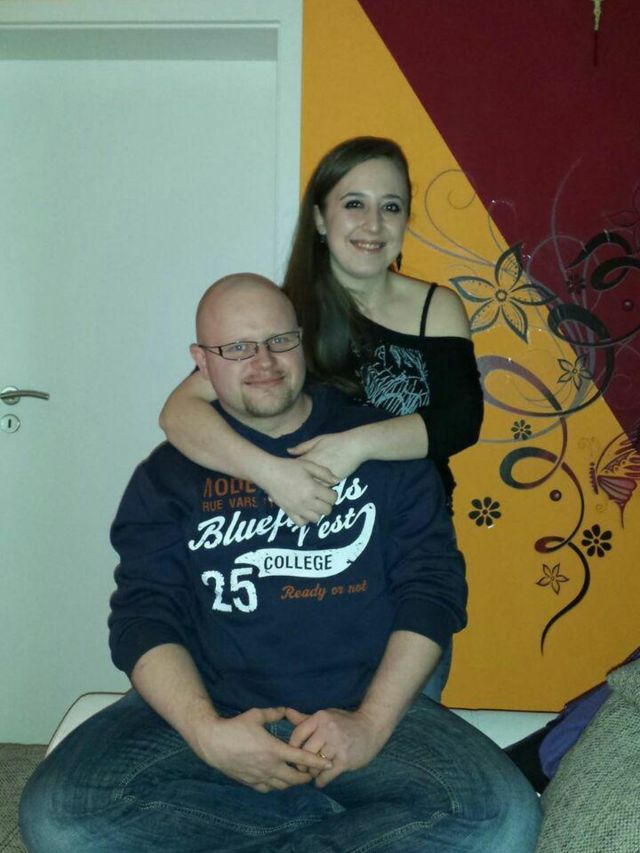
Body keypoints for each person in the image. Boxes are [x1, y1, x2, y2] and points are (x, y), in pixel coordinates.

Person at [20, 275, 539, 853]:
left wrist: (370, 723)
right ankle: (331, 818)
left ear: (302, 342)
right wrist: (207, 734)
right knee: (59, 818)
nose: (263, 362)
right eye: (237, 347)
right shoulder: (167, 478)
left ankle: (261, 818)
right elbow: (144, 618)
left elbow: (432, 594)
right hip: (215, 711)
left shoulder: (382, 446)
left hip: (358, 711)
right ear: (201, 362)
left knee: (502, 820)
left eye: (278, 341)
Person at [159, 137, 484, 699]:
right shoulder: (284, 317)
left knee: (400, 729)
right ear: (319, 217)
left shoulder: (437, 308)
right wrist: (272, 474)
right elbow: (179, 414)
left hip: (406, 555)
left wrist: (355, 445)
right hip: (300, 553)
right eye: (354, 203)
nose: (373, 224)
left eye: (391, 206)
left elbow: (461, 422)